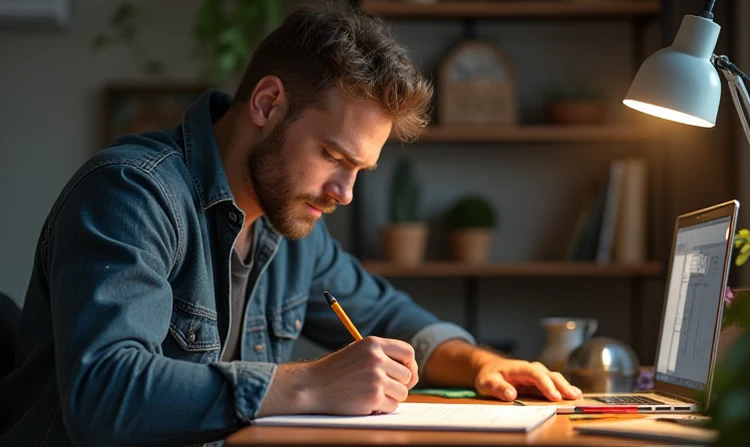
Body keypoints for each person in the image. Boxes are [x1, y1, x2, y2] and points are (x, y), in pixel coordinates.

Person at [0, 5, 581, 447]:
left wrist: (481, 363)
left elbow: (394, 318)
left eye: (360, 170)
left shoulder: (291, 229)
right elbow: (103, 394)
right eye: (334, 156)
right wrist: (310, 384)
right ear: (268, 104)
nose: (345, 193)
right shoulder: (132, 193)